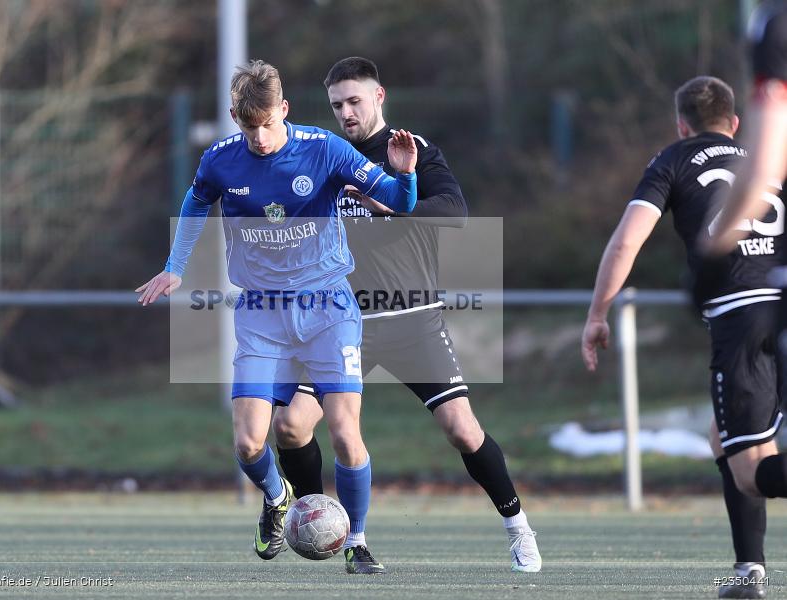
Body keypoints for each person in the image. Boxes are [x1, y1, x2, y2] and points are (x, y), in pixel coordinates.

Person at [136, 60, 419, 574]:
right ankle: (276, 496)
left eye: (268, 123)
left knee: (344, 431)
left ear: (283, 110)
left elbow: (399, 201)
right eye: (249, 127)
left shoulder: (325, 149)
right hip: (261, 313)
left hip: (329, 307)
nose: (261, 137)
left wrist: (406, 172)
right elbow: (196, 201)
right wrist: (175, 267)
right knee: (248, 442)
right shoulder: (221, 160)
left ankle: (357, 542)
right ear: (234, 118)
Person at [270, 56, 541, 573]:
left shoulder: (409, 151)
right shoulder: (323, 155)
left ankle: (519, 528)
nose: (346, 113)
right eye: (336, 105)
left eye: (354, 101)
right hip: (339, 321)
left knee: (462, 430)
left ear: (379, 96)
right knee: (289, 426)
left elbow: (456, 211)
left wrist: (394, 202)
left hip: (411, 317)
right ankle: (329, 526)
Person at [581, 76, 782, 599]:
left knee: (748, 474)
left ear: (681, 123)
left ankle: (751, 574)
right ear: (734, 123)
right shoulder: (767, 156)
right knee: (725, 439)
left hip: (742, 322)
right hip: (781, 307)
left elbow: (628, 240)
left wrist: (598, 313)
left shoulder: (671, 160)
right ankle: (749, 575)